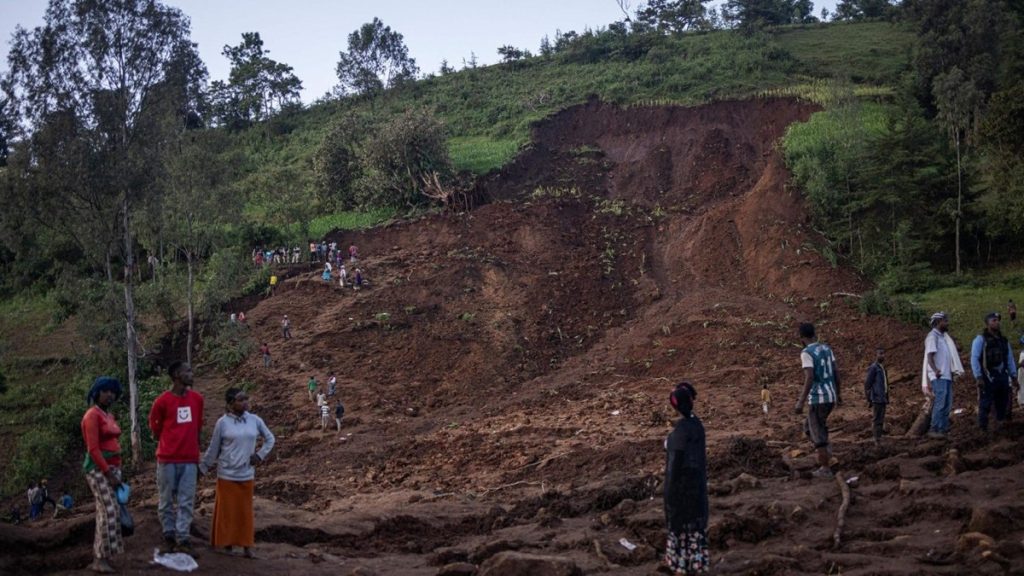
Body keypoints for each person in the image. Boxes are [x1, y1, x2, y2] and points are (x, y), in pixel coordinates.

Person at [200, 388, 275, 559]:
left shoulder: (254, 420)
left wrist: (259, 455)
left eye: (246, 399)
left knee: (244, 512)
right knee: (227, 512)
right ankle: (227, 546)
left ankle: (247, 547)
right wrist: (203, 468)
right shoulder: (222, 423)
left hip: (246, 473)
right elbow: (214, 448)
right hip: (226, 474)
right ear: (230, 403)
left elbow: (270, 438)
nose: (245, 402)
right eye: (240, 400)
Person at [149, 362, 204, 557]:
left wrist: (196, 455)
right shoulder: (162, 401)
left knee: (186, 500)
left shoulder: (197, 399)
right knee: (165, 499)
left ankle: (183, 538)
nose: (191, 373)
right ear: (176, 375)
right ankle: (169, 536)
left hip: (189, 459)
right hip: (167, 458)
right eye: (187, 371)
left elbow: (198, 428)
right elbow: (155, 429)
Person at [663, 382, 709, 575]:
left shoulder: (678, 434)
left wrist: (669, 497)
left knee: (681, 535)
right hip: (698, 491)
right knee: (695, 536)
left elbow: (674, 469)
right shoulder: (696, 425)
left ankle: (681, 569)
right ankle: (695, 567)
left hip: (682, 493)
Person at [81, 376, 125, 573]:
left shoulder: (107, 414)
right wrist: (109, 473)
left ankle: (105, 555)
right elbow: (93, 449)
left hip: (112, 468)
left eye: (112, 392)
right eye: (105, 391)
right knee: (108, 510)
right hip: (99, 469)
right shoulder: (92, 415)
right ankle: (99, 558)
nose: (110, 395)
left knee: (108, 510)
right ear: (96, 392)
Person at [793, 323, 841, 479]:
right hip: (831, 395)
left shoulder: (806, 352)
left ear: (801, 338)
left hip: (818, 397)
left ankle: (825, 467)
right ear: (814, 334)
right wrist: (838, 394)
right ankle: (828, 456)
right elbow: (836, 372)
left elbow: (810, 377)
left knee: (816, 431)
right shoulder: (826, 348)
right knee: (809, 427)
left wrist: (800, 401)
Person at [970, 312, 1016, 431]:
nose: (997, 322)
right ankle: (983, 428)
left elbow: (1009, 358)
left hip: (1002, 374)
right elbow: (974, 358)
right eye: (993, 320)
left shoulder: (1003, 340)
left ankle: (999, 424)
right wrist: (978, 377)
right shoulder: (980, 339)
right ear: (987, 323)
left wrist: (1014, 376)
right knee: (985, 402)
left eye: (997, 320)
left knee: (1002, 400)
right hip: (987, 375)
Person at [922, 312, 964, 439]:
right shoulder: (932, 337)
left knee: (947, 403)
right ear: (938, 322)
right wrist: (935, 371)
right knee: (940, 402)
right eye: (945, 321)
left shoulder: (943, 337)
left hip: (946, 376)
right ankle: (934, 428)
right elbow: (929, 356)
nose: (947, 323)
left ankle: (943, 429)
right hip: (939, 376)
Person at [864, 347, 889, 444]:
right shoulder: (874, 368)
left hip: (882, 398)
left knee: (881, 419)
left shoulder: (882, 368)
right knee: (876, 419)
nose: (882, 355)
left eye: (883, 353)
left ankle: (879, 437)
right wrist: (869, 398)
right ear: (876, 355)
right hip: (876, 398)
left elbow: (886, 384)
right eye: (880, 353)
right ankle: (876, 439)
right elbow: (867, 384)